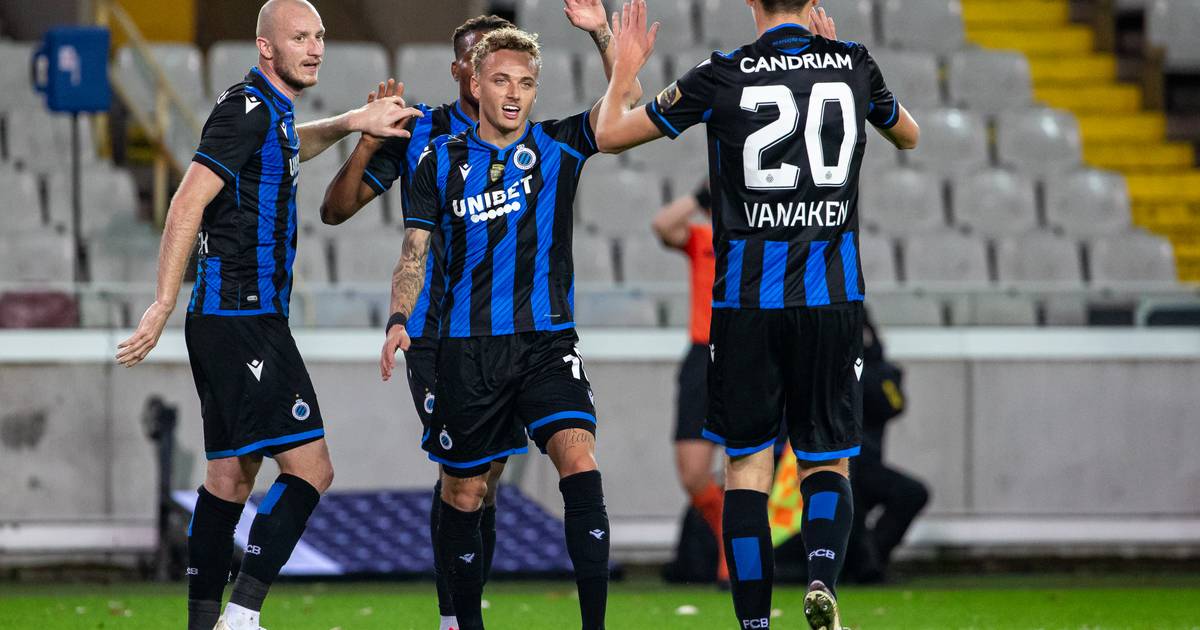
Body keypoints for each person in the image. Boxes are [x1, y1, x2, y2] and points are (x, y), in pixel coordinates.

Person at [594, 1, 920, 628]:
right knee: (827, 457)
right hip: (830, 300)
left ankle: (754, 623)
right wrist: (838, 56)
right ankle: (821, 580)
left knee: (746, 466)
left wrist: (623, 67)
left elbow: (609, 135)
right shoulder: (853, 65)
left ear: (750, 1)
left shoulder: (720, 73)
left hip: (746, 305)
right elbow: (908, 134)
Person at [114, 2, 421, 629]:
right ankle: (242, 615)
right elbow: (186, 202)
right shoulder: (246, 108)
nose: (315, 47)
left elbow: (288, 145)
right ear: (265, 47)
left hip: (230, 319)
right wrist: (162, 301)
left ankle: (205, 622)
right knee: (312, 468)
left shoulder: (269, 113)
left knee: (230, 477)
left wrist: (353, 122)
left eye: (319, 36)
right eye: (299, 37)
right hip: (242, 316)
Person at [321, 4, 627, 626]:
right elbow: (342, 214)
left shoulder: (550, 144)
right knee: (465, 483)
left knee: (534, 469)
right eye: (490, 67)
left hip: (538, 338)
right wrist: (368, 143)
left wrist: (603, 35)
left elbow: (623, 112)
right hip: (443, 335)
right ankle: (454, 615)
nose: (507, 83)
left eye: (522, 76)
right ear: (466, 71)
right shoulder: (424, 138)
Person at [650, 181, 730, 585]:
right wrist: (701, 195)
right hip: (703, 356)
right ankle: (725, 533)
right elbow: (663, 225)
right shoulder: (702, 238)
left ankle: (737, 557)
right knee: (694, 475)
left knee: (748, 465)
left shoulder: (761, 235)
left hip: (748, 353)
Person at [845, 311, 929, 584]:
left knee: (911, 493)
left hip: (865, 464)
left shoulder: (878, 371)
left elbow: (893, 404)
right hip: (828, 463)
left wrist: (864, 361)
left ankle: (871, 560)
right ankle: (858, 562)